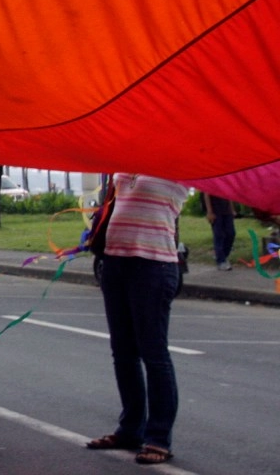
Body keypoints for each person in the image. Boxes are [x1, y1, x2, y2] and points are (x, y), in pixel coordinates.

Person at [86, 173, 188, 466]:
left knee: (154, 354)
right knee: (123, 354)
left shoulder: (180, 163)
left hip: (154, 266)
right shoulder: (123, 162)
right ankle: (130, 429)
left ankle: (158, 437)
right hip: (115, 262)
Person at [202, 190, 236, 271]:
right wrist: (209, 212)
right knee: (219, 235)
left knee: (231, 233)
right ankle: (221, 261)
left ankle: (222, 255)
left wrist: (232, 209)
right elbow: (206, 194)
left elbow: (229, 194)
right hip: (216, 211)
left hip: (226, 210)